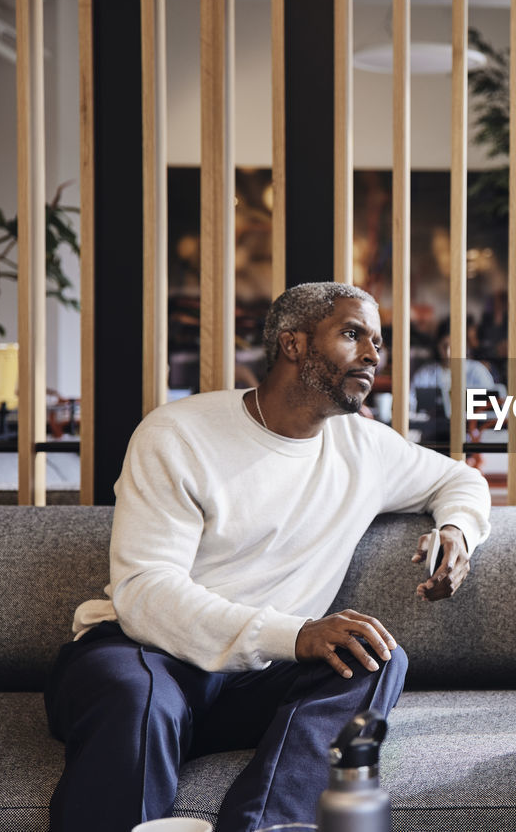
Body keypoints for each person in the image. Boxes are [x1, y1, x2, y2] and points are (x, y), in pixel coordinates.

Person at [45, 282, 491, 832]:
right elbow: (145, 592)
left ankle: (266, 826)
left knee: (376, 657)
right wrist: (297, 634)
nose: (374, 354)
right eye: (353, 335)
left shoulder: (366, 446)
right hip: (148, 657)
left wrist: (457, 529)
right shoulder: (179, 433)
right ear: (293, 344)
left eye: (378, 340)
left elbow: (460, 479)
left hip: (257, 682)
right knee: (137, 698)